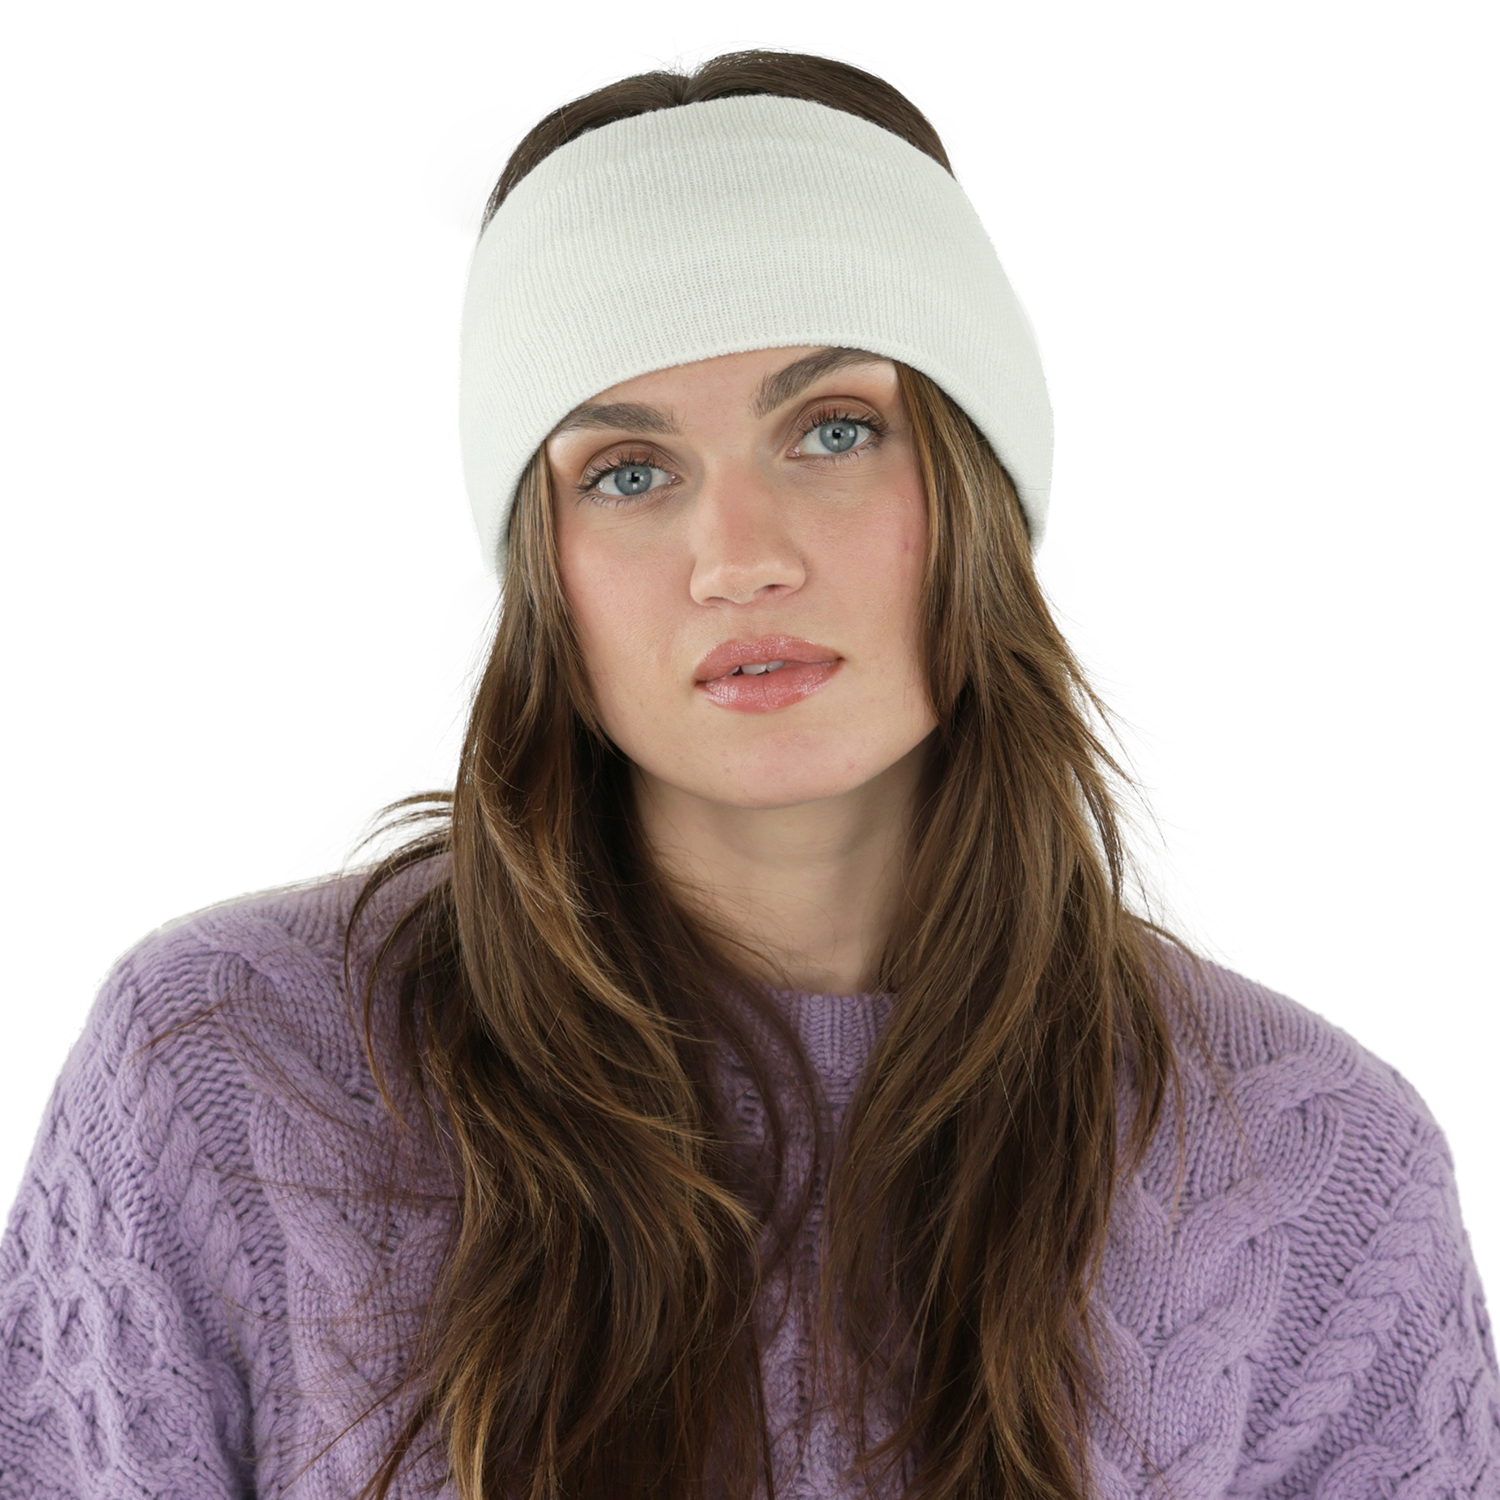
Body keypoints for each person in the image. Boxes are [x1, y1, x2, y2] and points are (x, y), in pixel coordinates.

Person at [1, 48, 1495, 1500]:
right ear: (547, 576)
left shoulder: (1310, 1174)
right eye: (627, 472)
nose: (740, 557)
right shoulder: (229, 1068)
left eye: (833, 431)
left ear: (979, 488)